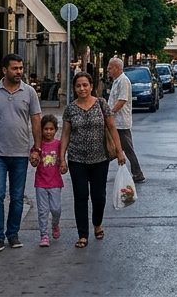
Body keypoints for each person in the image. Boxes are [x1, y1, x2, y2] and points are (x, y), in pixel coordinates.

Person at [0, 53, 42, 253]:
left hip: (20, 154)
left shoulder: (29, 93)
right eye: (15, 68)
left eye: (21, 68)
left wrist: (36, 148)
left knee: (17, 197)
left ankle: (13, 234)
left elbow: (36, 121)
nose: (19, 72)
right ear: (4, 70)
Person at [59, 71, 124, 248]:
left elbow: (112, 128)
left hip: (100, 158)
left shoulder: (101, 104)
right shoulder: (70, 109)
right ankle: (82, 234)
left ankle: (97, 223)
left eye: (85, 85)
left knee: (98, 196)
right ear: (74, 88)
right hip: (77, 158)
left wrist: (120, 151)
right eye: (78, 86)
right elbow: (65, 134)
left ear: (91, 86)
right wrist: (62, 158)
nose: (82, 88)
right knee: (80, 196)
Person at [107, 58, 145, 183]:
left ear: (117, 68)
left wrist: (111, 112)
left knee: (127, 149)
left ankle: (138, 173)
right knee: (109, 147)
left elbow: (122, 100)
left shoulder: (123, 81)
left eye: (110, 67)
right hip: (115, 122)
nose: (108, 70)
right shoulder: (116, 81)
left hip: (121, 122)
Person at [33, 115, 64, 247]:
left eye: (51, 129)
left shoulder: (58, 144)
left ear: (56, 130)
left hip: (55, 182)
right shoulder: (37, 145)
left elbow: (62, 160)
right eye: (45, 129)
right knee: (42, 210)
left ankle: (55, 225)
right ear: (41, 130)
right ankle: (44, 235)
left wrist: (63, 165)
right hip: (41, 182)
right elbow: (33, 162)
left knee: (56, 209)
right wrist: (34, 159)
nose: (48, 132)